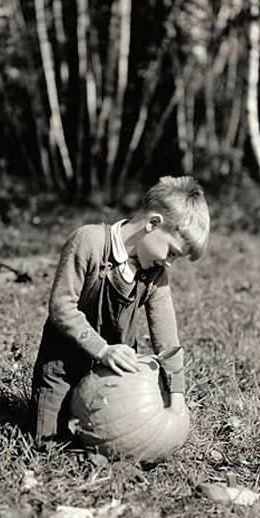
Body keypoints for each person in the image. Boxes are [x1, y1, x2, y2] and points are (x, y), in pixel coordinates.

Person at [30, 175, 210, 445]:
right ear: (153, 224)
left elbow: (167, 340)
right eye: (172, 252)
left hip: (112, 377)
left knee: (114, 445)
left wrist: (177, 399)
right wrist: (103, 351)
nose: (170, 263)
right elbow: (61, 308)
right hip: (64, 368)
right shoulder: (89, 242)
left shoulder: (155, 274)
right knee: (49, 442)